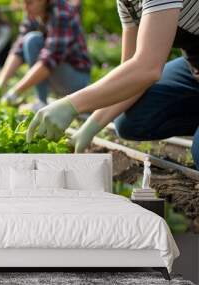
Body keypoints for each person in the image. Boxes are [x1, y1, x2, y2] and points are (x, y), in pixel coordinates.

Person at [26, 0, 199, 168]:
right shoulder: (127, 3)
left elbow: (147, 68)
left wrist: (70, 105)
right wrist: (89, 127)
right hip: (193, 66)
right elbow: (131, 72)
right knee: (130, 122)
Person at [0, 0, 91, 111]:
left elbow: (50, 59)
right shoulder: (33, 13)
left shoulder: (61, 11)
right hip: (58, 75)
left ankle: (41, 103)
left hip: (76, 79)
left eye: (30, 3)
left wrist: (15, 91)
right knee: (29, 40)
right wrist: (0, 83)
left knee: (32, 41)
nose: (25, 8)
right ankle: (42, 101)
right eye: (24, 3)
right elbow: (18, 49)